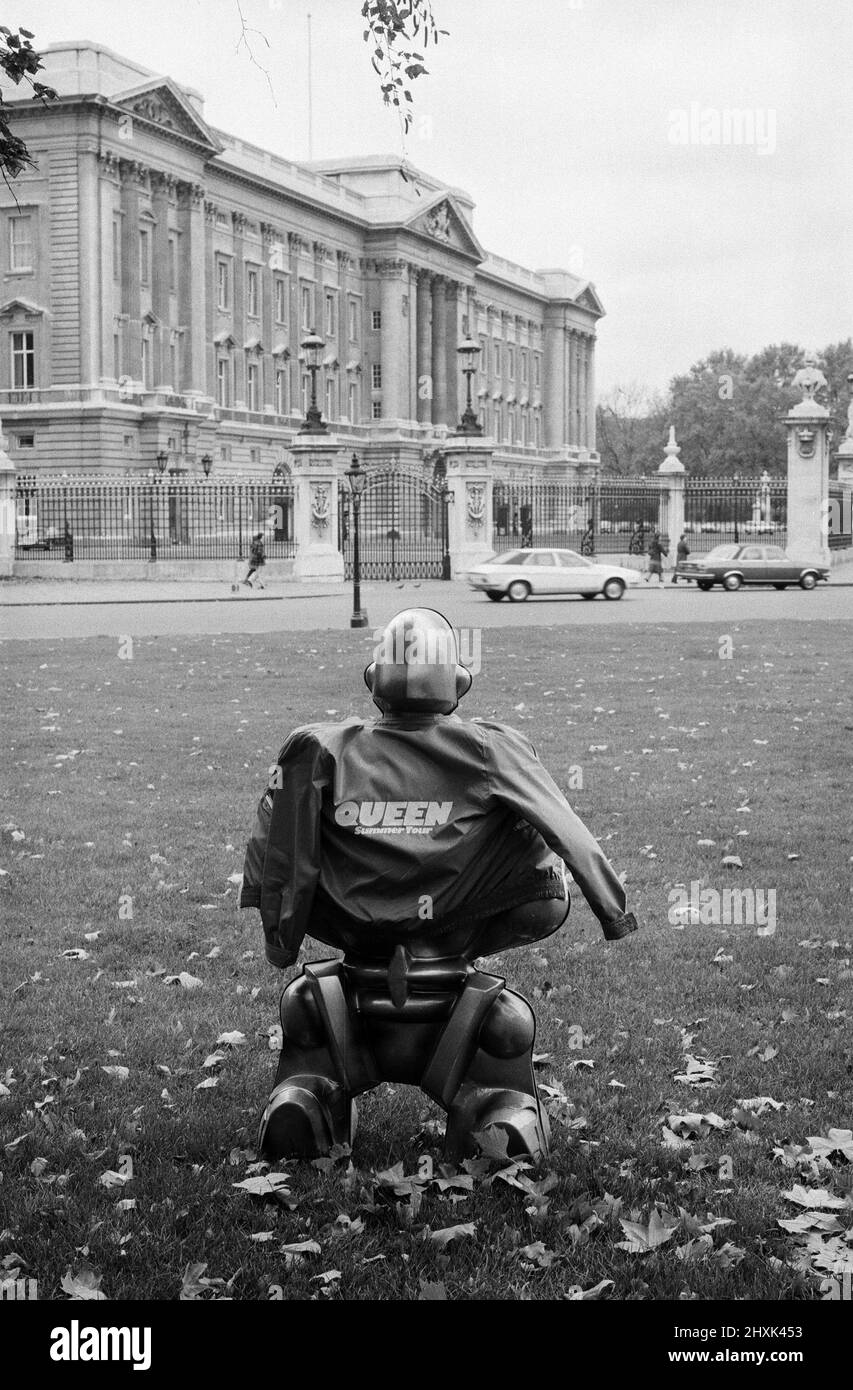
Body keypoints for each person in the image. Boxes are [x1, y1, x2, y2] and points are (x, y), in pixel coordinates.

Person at [239, 608, 638, 1163]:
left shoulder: (318, 747)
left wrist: (280, 941)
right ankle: (496, 1110)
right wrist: (612, 910)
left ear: (374, 681)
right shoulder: (490, 747)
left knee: (303, 1012)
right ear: (454, 683)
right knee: (509, 1021)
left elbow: (277, 848)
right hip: (453, 945)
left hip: (356, 946)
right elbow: (562, 825)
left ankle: (308, 1096)